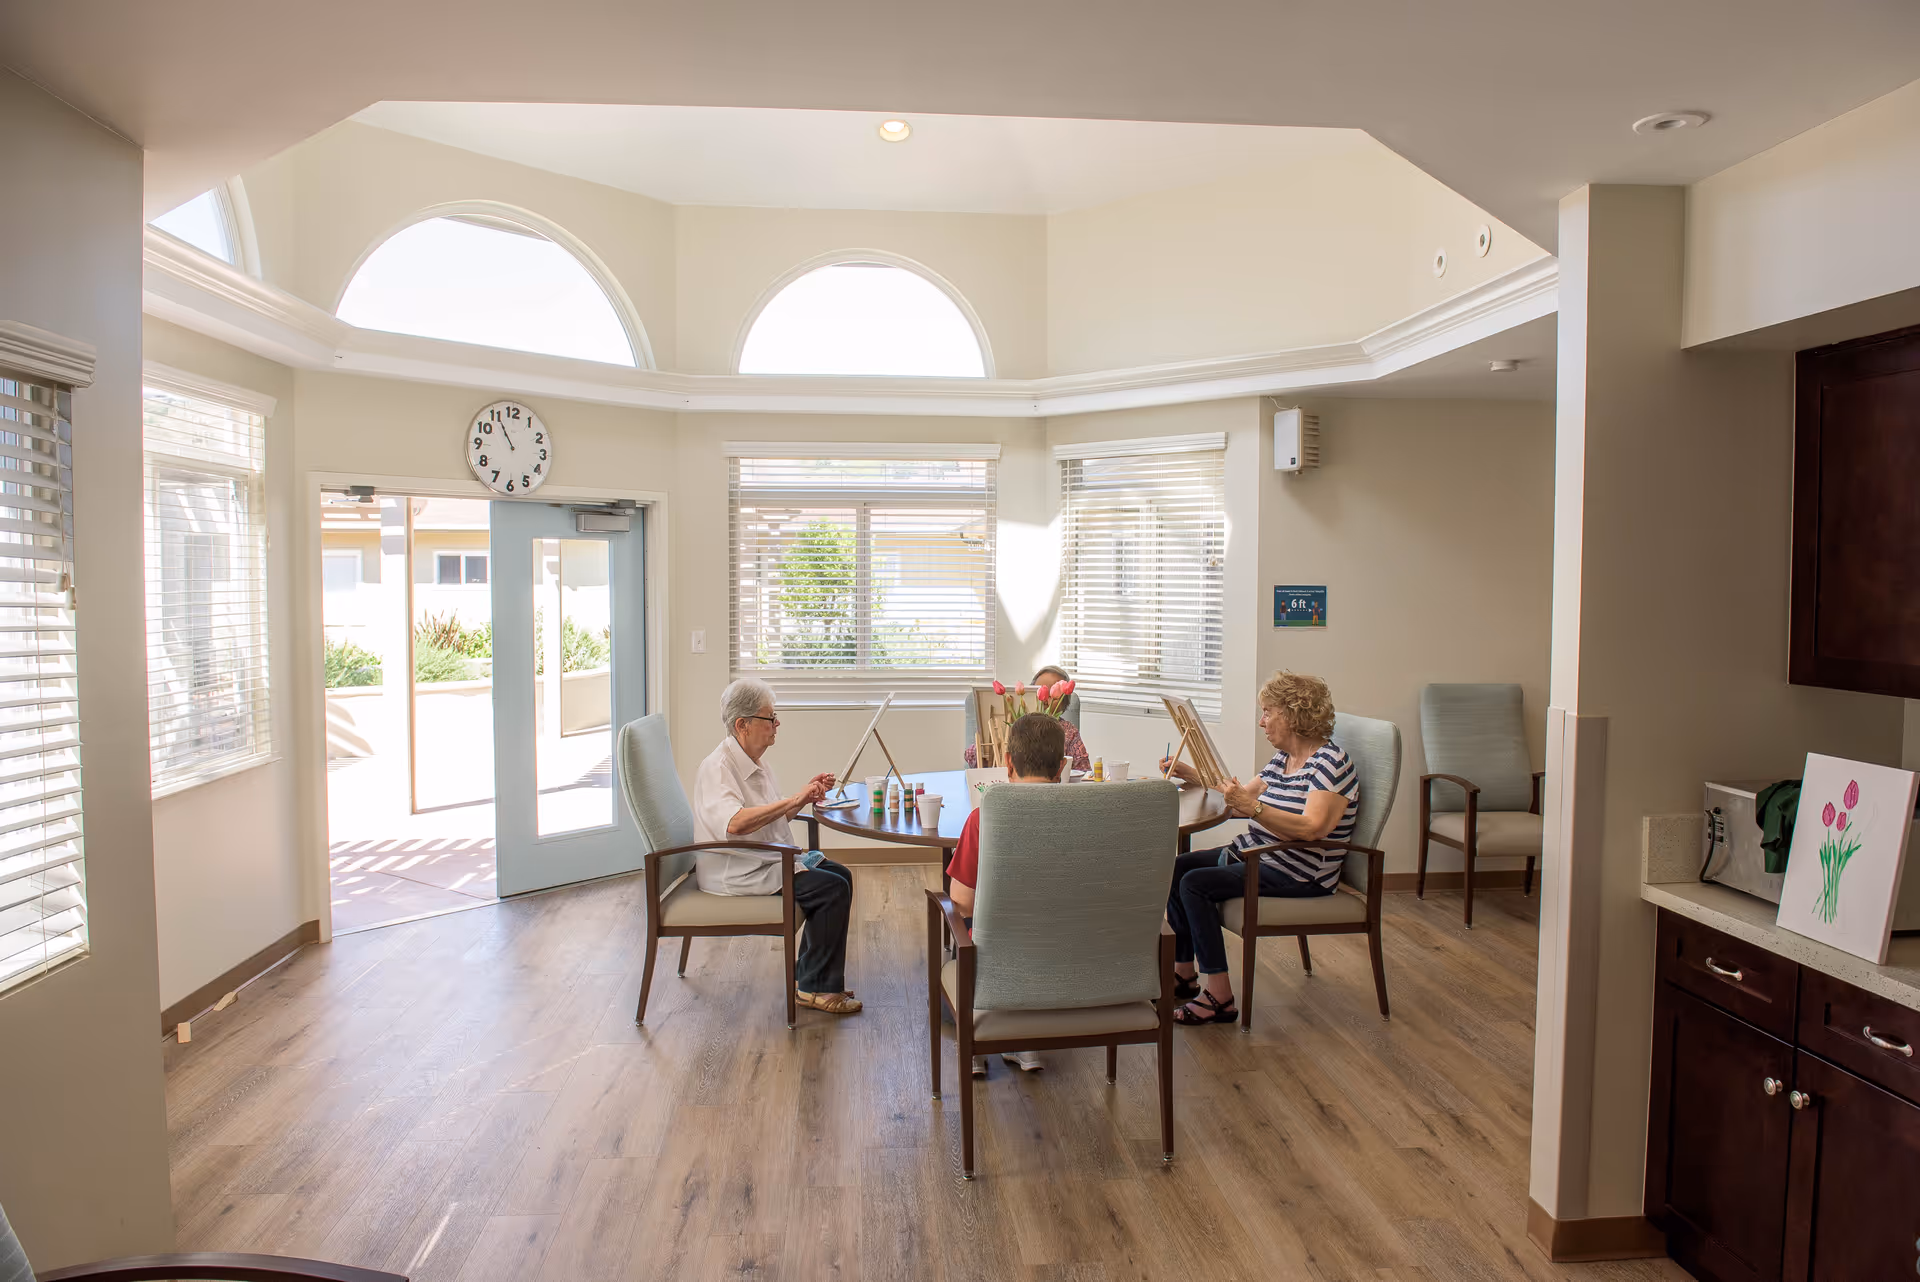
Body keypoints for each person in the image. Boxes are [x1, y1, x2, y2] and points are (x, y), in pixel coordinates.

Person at [1159, 671, 1357, 1026]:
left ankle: (1219, 996)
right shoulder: (1283, 759)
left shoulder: (1331, 763)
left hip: (1298, 872)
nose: (1261, 722)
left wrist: (1253, 808)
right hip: (1261, 855)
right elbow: (1239, 800)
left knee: (1195, 884)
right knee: (1178, 868)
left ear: (1292, 714)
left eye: (1267, 712)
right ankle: (1184, 974)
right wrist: (1194, 776)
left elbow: (1313, 828)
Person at [692, 677, 861, 1015]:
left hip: (762, 859)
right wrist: (795, 799)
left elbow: (770, 817)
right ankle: (815, 988)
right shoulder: (718, 768)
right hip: (738, 869)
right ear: (742, 725)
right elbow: (735, 823)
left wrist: (803, 795)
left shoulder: (755, 761)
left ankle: (811, 977)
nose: (776, 724)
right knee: (830, 888)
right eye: (769, 718)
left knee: (840, 875)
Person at [945, 712, 1066, 1074]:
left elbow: (963, 901)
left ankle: (977, 1040)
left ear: (1008, 763)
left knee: (963, 940)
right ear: (1061, 767)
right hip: (1066, 956)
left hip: (997, 959)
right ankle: (1025, 1042)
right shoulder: (1088, 816)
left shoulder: (984, 818)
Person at [964, 665, 1091, 772]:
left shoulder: (1069, 731)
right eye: (1040, 691)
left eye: (1054, 695)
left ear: (1064, 703)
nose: (1045, 700)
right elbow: (971, 757)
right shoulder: (1015, 725)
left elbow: (1084, 769)